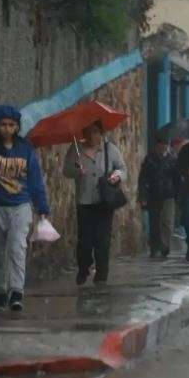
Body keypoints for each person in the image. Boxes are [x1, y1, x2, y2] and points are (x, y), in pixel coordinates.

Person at [0, 105, 50, 313]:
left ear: (17, 126)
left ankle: (16, 292)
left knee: (17, 247)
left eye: (11, 125)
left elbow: (35, 180)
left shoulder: (25, 149)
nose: (6, 129)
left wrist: (42, 207)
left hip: (20, 206)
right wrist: (0, 112)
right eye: (3, 124)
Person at [63, 121, 126, 284]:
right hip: (84, 202)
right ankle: (84, 267)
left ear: (101, 133)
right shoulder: (76, 149)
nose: (92, 136)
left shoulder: (109, 149)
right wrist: (77, 171)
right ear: (83, 134)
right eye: (88, 132)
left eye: (96, 132)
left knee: (102, 240)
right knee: (85, 241)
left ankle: (101, 275)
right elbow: (66, 170)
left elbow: (122, 169)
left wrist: (115, 176)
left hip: (104, 202)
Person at [137, 135, 177, 259]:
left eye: (166, 144)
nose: (163, 146)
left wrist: (178, 194)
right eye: (161, 144)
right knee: (154, 222)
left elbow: (177, 178)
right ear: (157, 145)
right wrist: (143, 194)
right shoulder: (150, 159)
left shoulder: (172, 160)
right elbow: (142, 178)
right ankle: (155, 247)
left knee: (167, 222)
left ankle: (164, 246)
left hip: (168, 194)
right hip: (153, 194)